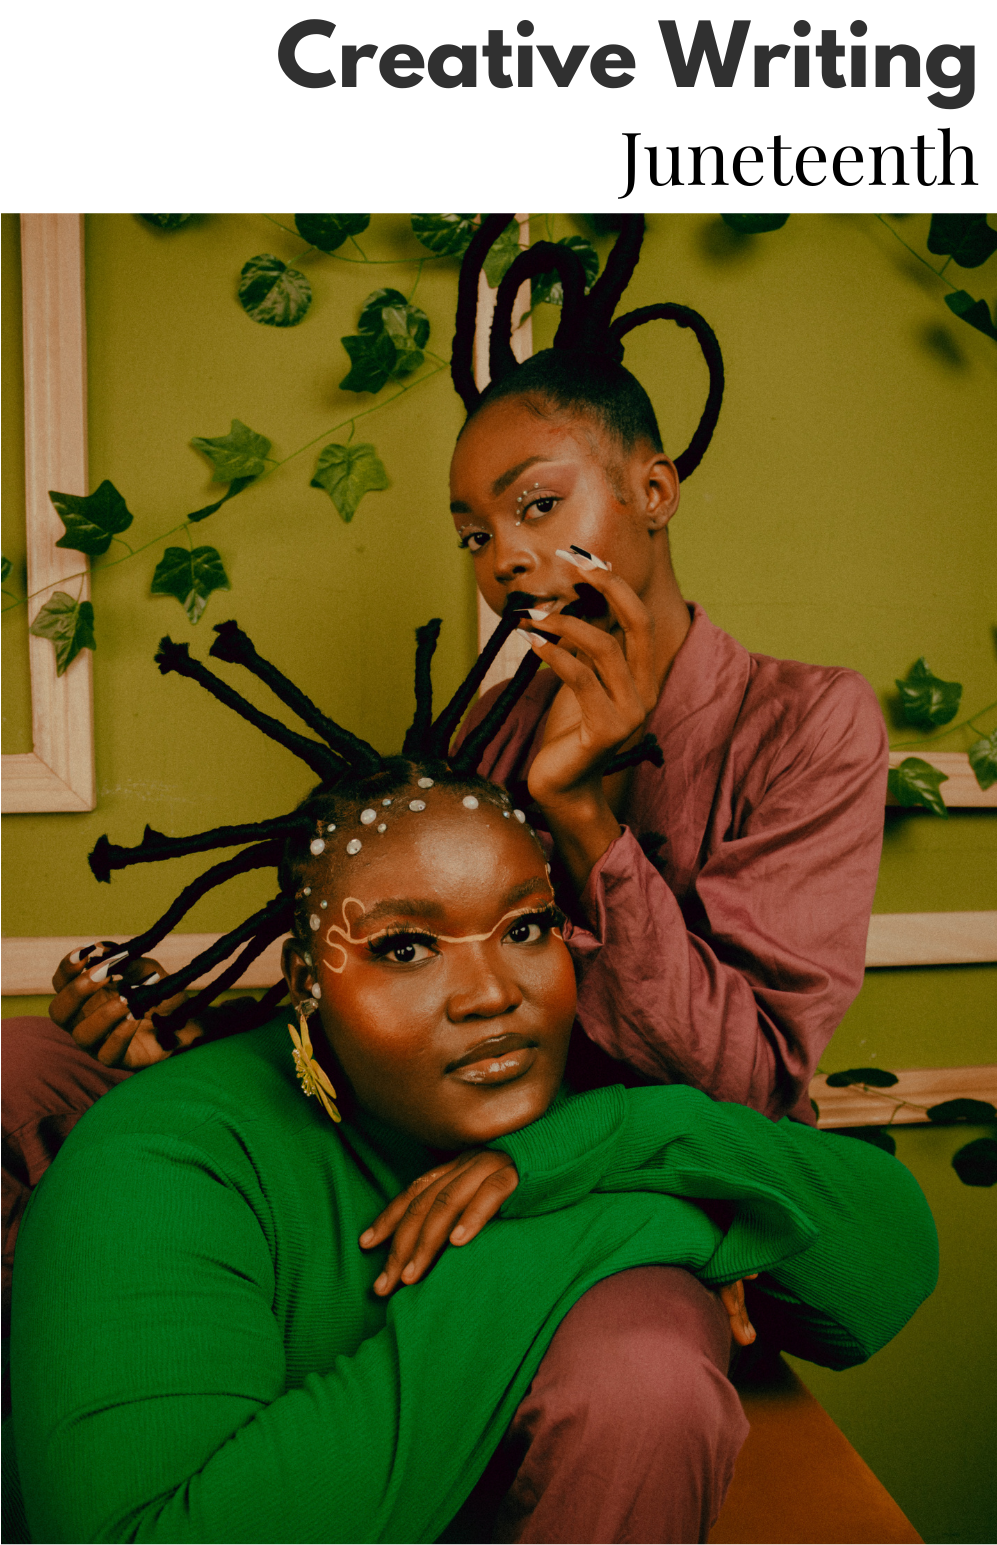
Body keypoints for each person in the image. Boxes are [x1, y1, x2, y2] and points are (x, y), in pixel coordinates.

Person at [9, 625, 936, 1544]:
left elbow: (888, 1258)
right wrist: (633, 1224)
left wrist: (592, 1150)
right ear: (306, 983)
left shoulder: (588, 1108)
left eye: (526, 928)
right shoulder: (167, 1158)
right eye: (406, 948)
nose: (493, 994)